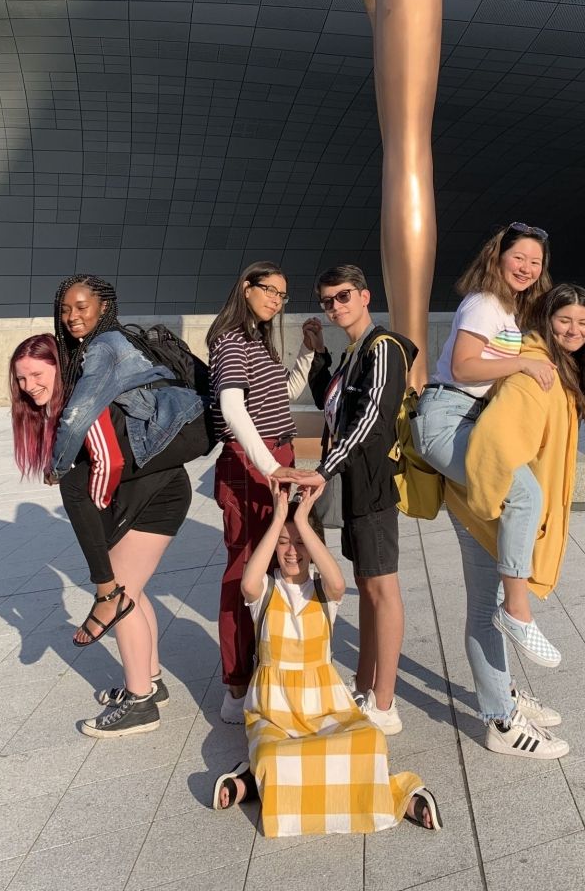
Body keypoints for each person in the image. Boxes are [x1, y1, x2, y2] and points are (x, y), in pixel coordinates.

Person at [20, 275, 207, 737]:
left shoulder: (103, 347)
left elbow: (82, 417)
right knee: (132, 591)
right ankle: (150, 681)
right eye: (64, 309)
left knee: (117, 591)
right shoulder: (98, 348)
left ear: (104, 306)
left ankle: (141, 702)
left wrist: (59, 465)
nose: (72, 316)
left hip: (158, 484)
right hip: (158, 481)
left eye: (81, 306)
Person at [212, 487, 442, 836]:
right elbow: (246, 583)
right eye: (284, 543)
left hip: (326, 708)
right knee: (274, 753)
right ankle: (255, 776)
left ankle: (399, 794)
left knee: (370, 741)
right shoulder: (265, 590)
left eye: (301, 542)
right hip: (276, 711)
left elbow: (338, 580)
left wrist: (303, 521)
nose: (292, 552)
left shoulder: (324, 593)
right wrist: (278, 519)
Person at [444, 283, 585, 759]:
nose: (575, 330)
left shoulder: (556, 370)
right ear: (546, 323)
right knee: (486, 610)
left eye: (583, 323)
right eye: (565, 321)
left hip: (496, 506)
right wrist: (508, 504)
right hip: (484, 505)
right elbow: (493, 444)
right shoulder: (534, 374)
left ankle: (506, 697)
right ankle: (501, 721)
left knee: (487, 605)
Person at [411, 223, 559, 665]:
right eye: (520, 258)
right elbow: (462, 367)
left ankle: (504, 698)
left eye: (536, 262)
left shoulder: (508, 312)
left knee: (489, 562)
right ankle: (516, 610)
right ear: (498, 257)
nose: (528, 268)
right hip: (446, 419)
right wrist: (522, 366)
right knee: (524, 493)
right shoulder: (484, 303)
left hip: (470, 421)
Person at [207, 262, 324, 725]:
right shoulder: (232, 341)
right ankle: (236, 686)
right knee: (243, 571)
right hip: (250, 468)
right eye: (269, 291)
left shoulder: (257, 341)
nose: (276, 300)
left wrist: (308, 352)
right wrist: (270, 465)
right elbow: (232, 407)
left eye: (282, 295)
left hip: (275, 462)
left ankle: (268, 667)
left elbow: (283, 394)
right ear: (246, 288)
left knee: (275, 564)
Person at [306, 265, 415, 735]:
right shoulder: (352, 351)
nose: (335, 306)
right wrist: (318, 355)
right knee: (367, 588)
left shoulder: (383, 347)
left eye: (343, 296)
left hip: (371, 484)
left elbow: (372, 417)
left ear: (365, 295)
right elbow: (332, 408)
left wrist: (324, 469)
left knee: (381, 589)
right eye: (328, 300)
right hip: (354, 485)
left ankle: (385, 704)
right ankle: (367, 684)